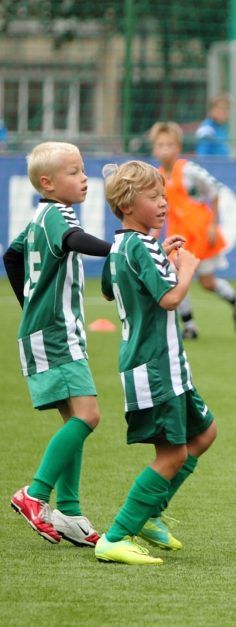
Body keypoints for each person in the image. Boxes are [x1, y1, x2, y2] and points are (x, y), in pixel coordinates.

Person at [95, 160, 217, 565]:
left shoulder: (122, 245)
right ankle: (115, 536)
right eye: (153, 197)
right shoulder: (141, 246)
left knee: (205, 433)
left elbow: (111, 288)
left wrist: (160, 258)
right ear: (128, 204)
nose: (163, 204)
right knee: (173, 455)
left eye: (164, 195)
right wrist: (184, 269)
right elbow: (170, 299)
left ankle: (150, 515)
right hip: (154, 367)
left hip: (168, 367)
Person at [3, 142, 113, 548]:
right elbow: (74, 238)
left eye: (83, 170)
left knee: (75, 420)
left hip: (48, 330)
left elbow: (11, 257)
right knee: (89, 416)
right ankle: (35, 493)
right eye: (74, 172)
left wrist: (29, 305)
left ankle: (68, 509)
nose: (83, 178)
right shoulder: (56, 214)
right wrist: (119, 248)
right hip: (54, 334)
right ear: (47, 183)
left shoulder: (38, 217)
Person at [150, 121, 236, 339]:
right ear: (154, 149)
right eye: (160, 145)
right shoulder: (156, 176)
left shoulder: (188, 169)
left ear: (178, 147)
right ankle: (190, 325)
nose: (165, 149)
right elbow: (162, 210)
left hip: (200, 232)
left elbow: (214, 190)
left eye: (169, 144)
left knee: (207, 282)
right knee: (175, 277)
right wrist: (153, 237)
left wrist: (213, 224)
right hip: (178, 236)